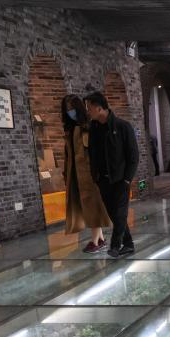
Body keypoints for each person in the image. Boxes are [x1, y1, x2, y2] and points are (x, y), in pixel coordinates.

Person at [85, 91, 139, 258]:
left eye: (89, 108)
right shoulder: (94, 129)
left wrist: (127, 179)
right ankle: (128, 244)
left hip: (121, 179)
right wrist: (95, 176)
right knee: (114, 214)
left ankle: (115, 245)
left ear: (99, 108)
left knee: (121, 213)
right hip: (103, 180)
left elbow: (133, 156)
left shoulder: (123, 127)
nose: (88, 111)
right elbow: (92, 154)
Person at [60, 95, 111, 253]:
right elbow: (68, 155)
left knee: (93, 206)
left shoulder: (89, 126)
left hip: (90, 175)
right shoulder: (70, 130)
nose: (70, 112)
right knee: (85, 207)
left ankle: (95, 241)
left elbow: (97, 152)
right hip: (75, 175)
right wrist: (66, 174)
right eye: (67, 109)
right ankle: (100, 239)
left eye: (72, 108)